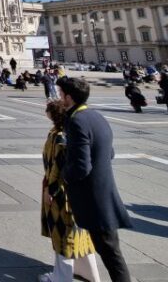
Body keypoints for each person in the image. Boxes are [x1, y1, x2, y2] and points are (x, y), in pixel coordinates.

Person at [58, 77, 132, 282]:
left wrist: (64, 175)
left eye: (61, 94)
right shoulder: (96, 116)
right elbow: (110, 153)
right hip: (103, 192)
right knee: (110, 250)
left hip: (93, 198)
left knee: (110, 253)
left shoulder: (77, 121)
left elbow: (82, 167)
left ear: (69, 97)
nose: (59, 98)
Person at [39, 100, 101, 282]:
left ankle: (61, 277)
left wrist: (50, 190)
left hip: (62, 195)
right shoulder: (67, 133)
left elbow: (57, 168)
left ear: (53, 114)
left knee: (63, 235)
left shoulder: (59, 137)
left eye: (48, 110)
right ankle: (89, 273)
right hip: (77, 193)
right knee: (80, 233)